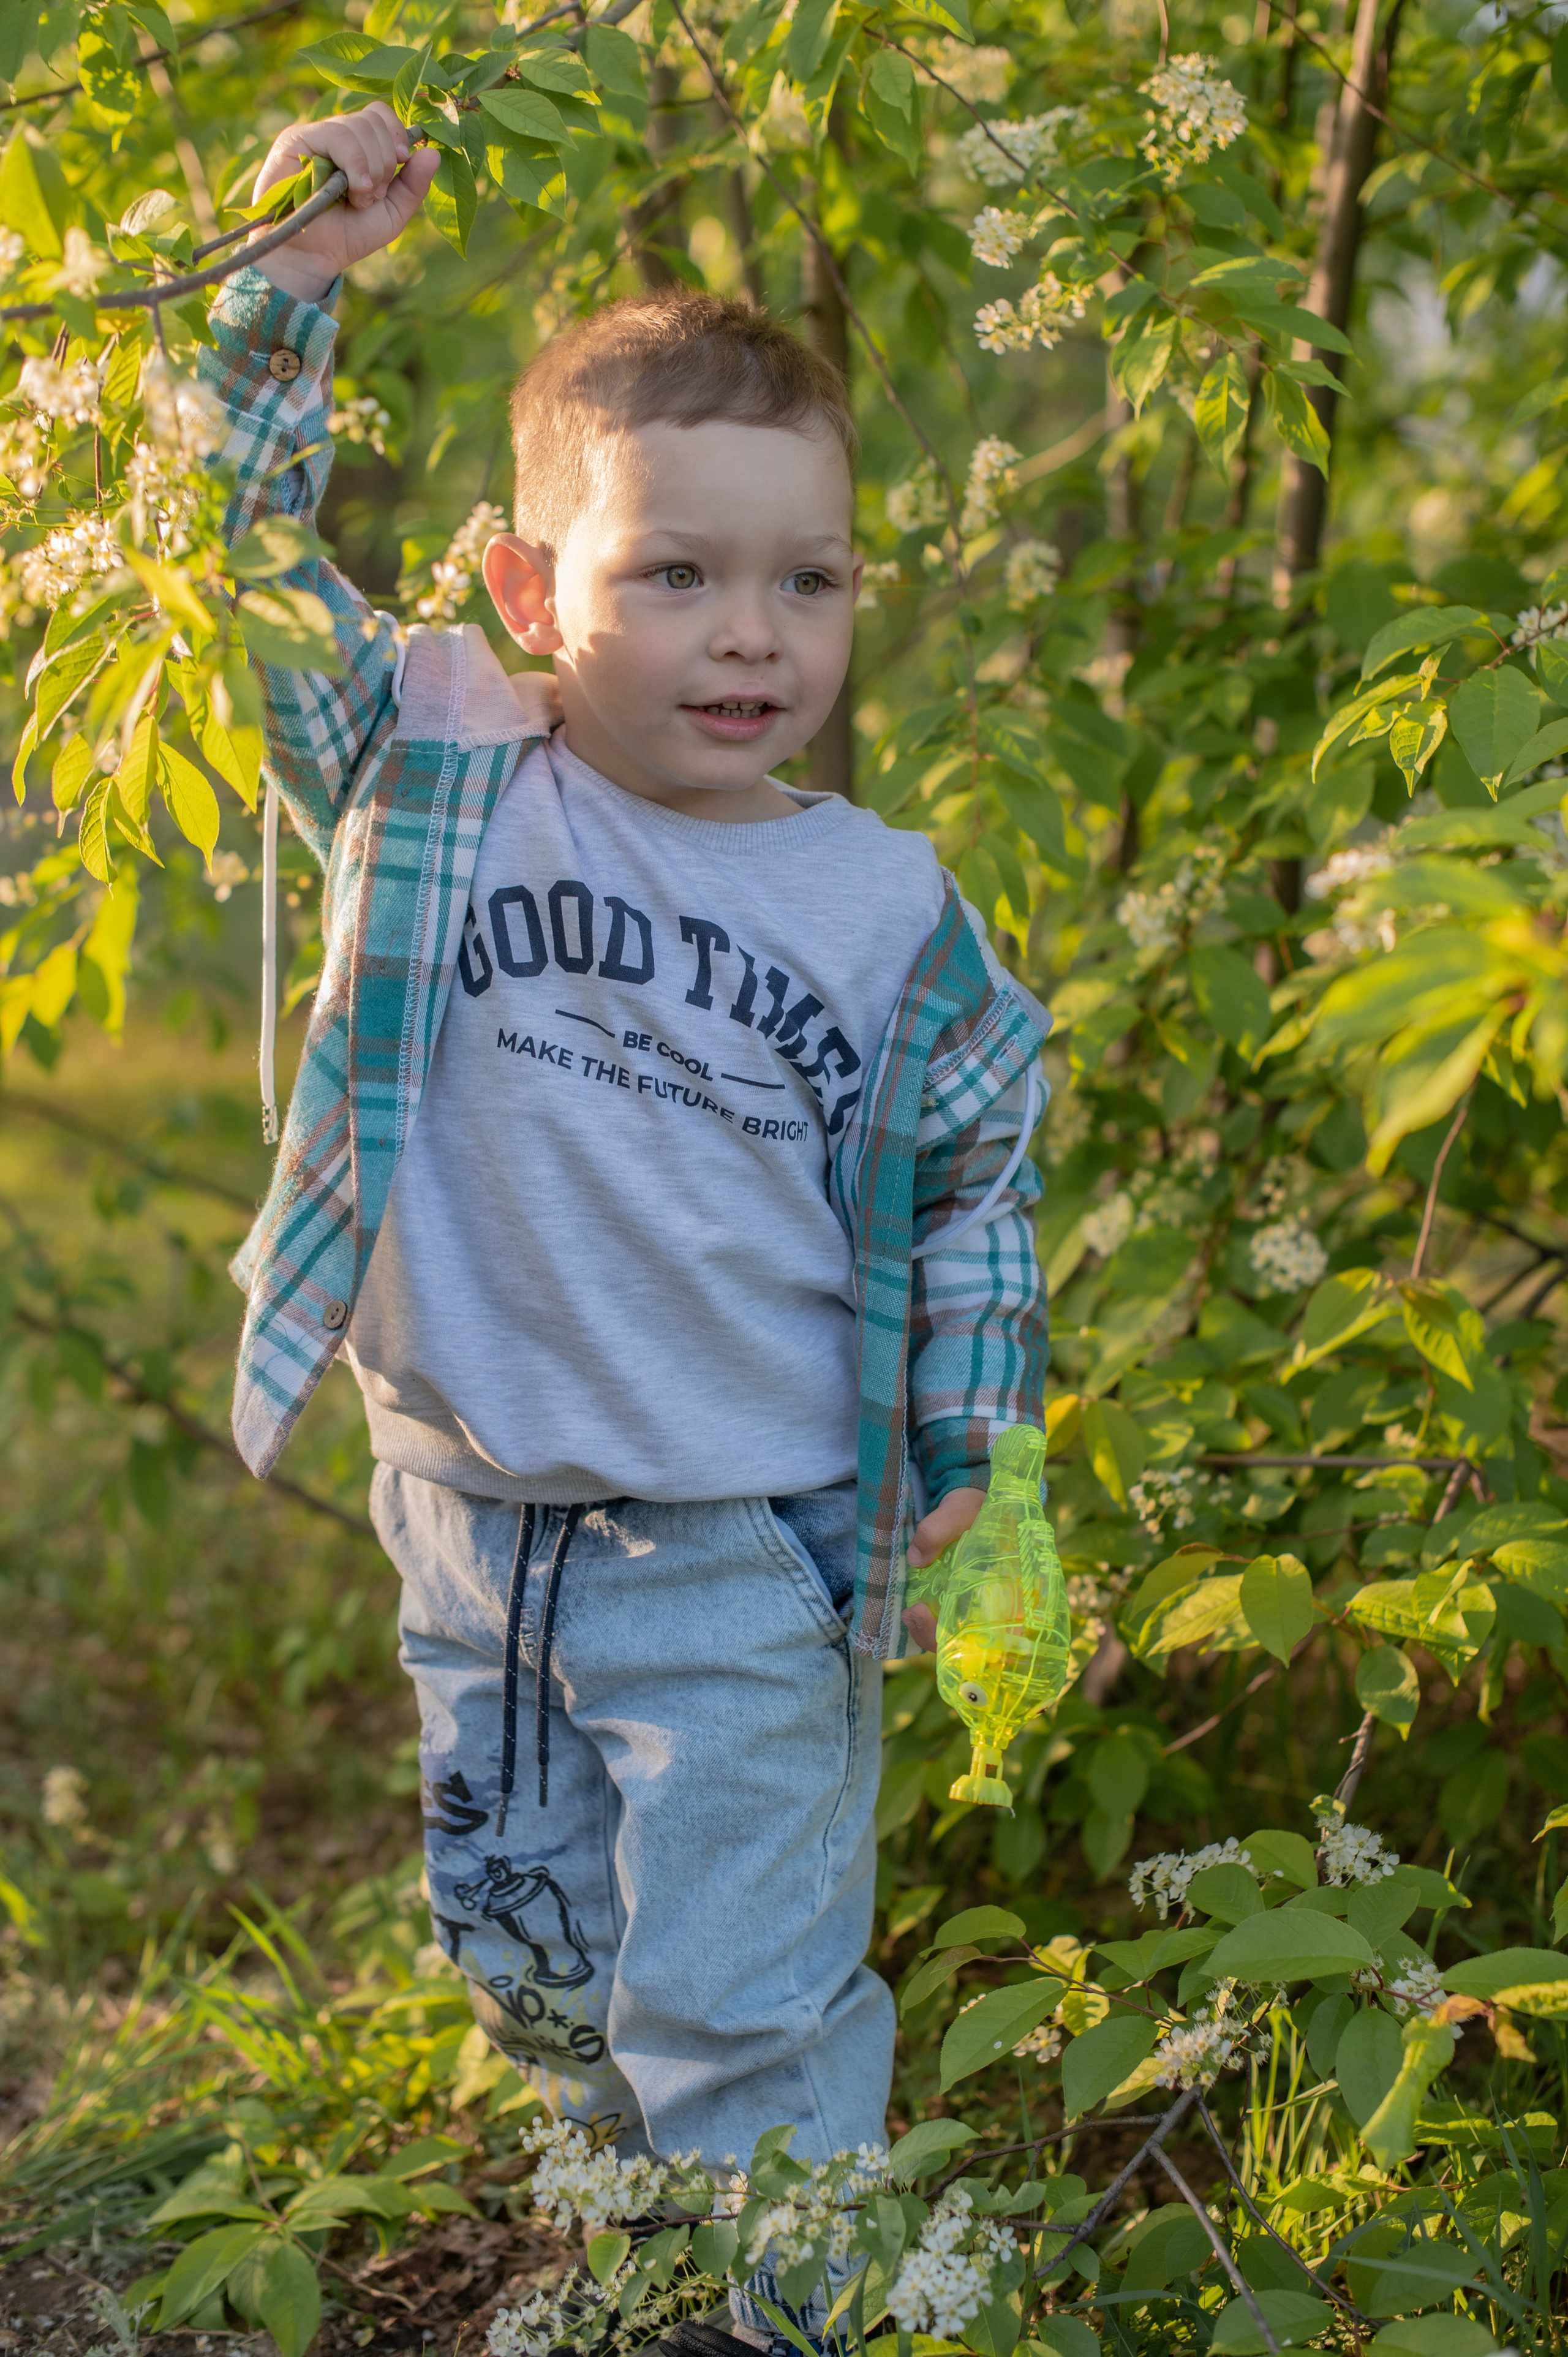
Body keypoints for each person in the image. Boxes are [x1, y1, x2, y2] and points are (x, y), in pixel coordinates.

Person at [206, 99, 1050, 2352]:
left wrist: (973, 1467)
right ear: (528, 593)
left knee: (745, 1999)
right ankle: (639, 2229)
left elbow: (977, 1171)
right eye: (675, 572)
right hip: (471, 1520)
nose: (752, 634)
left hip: (744, 1538)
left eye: (812, 579)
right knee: (526, 1951)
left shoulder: (884, 902)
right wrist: (287, 288)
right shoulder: (441, 773)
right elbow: (240, 574)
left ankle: (792, 2309)